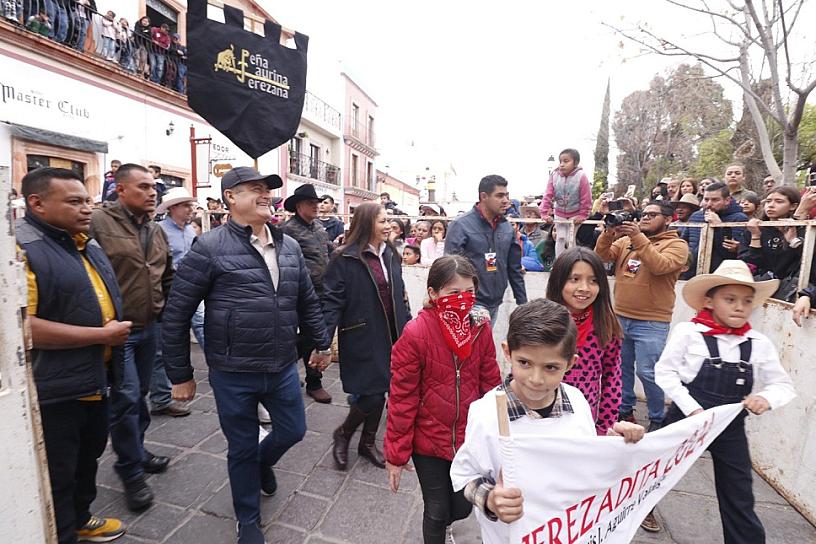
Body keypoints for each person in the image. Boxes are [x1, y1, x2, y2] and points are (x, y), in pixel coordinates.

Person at [163, 167, 332, 544]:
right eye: (254, 189)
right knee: (240, 447)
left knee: (293, 430)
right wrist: (180, 374)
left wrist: (321, 344)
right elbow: (176, 312)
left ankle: (260, 463)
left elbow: (307, 300)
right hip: (232, 370)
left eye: (267, 190)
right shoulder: (209, 247)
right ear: (230, 198)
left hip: (282, 364)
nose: (265, 195)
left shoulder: (288, 245)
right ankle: (249, 520)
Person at [449, 299, 645, 544]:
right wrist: (489, 499)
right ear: (507, 351)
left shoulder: (577, 401)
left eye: (551, 367)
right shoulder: (485, 413)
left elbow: (585, 461)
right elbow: (464, 474)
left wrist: (615, 446)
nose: (536, 379)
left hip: (568, 531)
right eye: (525, 363)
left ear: (570, 363)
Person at [17, 168, 129, 544]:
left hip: (96, 378)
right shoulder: (22, 249)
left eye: (88, 201)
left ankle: (81, 519)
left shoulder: (83, 242)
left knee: (88, 457)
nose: (86, 209)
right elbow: (24, 329)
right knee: (59, 472)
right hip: (57, 387)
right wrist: (102, 335)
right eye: (74, 201)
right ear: (37, 203)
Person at [655, 260, 796, 543]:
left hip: (729, 426)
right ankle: (627, 518)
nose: (739, 307)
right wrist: (691, 407)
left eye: (746, 301)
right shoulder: (688, 332)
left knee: (739, 492)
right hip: (686, 419)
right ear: (709, 301)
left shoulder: (758, 342)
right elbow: (665, 372)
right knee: (651, 473)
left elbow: (783, 385)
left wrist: (764, 399)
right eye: (730, 299)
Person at [385, 256, 501, 543]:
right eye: (453, 293)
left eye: (469, 292)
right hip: (428, 440)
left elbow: (490, 379)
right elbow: (402, 396)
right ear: (433, 293)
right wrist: (396, 455)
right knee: (436, 511)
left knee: (462, 506)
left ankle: (450, 522)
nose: (463, 300)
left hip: (468, 438)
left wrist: (501, 432)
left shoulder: (480, 326)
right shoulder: (416, 333)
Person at [90, 163, 174, 512]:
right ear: (120, 189)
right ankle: (129, 469)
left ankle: (136, 452)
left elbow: (166, 273)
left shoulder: (155, 229)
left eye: (153, 187)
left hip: (149, 326)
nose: (151, 192)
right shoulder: (98, 222)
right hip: (118, 330)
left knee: (138, 396)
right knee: (125, 400)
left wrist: (167, 315)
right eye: (142, 187)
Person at [322, 202, 411, 471]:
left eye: (389, 221)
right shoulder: (344, 258)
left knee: (384, 390)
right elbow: (331, 301)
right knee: (372, 394)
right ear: (365, 224)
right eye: (382, 221)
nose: (388, 226)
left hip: (394, 333)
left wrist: (408, 327)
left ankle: (368, 443)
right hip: (363, 334)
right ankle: (345, 433)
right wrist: (322, 342)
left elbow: (400, 293)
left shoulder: (391, 254)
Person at [594, 201, 688, 431]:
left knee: (648, 372)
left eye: (652, 215)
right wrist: (608, 233)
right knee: (621, 368)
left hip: (652, 322)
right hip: (620, 317)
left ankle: (657, 417)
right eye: (643, 214)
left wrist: (638, 238)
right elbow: (601, 257)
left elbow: (659, 265)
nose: (645, 218)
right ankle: (624, 410)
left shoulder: (677, 245)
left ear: (668, 219)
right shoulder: (626, 241)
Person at [546, 247, 622, 435]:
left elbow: (612, 380)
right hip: (542, 418)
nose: (584, 288)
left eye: (593, 281)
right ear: (558, 281)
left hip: (584, 421)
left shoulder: (606, 325)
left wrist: (604, 427)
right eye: (575, 279)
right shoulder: (541, 321)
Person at [445, 175, 527, 322]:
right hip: (468, 304)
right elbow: (449, 268)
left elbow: (514, 268)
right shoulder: (460, 225)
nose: (506, 201)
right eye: (500, 195)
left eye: (507, 195)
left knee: (483, 345)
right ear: (484, 196)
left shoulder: (507, 227)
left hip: (494, 303)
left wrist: (523, 303)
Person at [150, 187, 201, 418]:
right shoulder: (159, 231)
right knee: (162, 347)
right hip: (169, 293)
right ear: (172, 208)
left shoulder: (190, 230)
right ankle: (160, 398)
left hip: (192, 291)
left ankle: (225, 373)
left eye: (191, 205)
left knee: (206, 329)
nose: (191, 209)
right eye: (185, 205)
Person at [282, 183, 334, 404]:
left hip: (322, 291)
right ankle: (297, 377)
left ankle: (310, 379)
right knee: (306, 336)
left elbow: (327, 251)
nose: (316, 206)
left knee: (314, 336)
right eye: (312, 203)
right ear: (299, 205)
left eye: (317, 203)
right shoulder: (287, 230)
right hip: (298, 293)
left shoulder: (320, 228)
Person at [742, 186, 814, 302]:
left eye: (779, 201)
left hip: (786, 294)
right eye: (768, 201)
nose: (771, 205)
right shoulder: (753, 228)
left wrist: (792, 242)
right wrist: (755, 236)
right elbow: (750, 264)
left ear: (793, 206)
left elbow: (789, 265)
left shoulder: (803, 230)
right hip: (755, 289)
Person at [686, 181, 747, 277]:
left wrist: (719, 226)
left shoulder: (739, 219)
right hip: (692, 273)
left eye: (715, 200)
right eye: (706, 199)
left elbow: (730, 254)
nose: (709, 204)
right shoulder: (695, 216)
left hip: (722, 275)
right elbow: (684, 241)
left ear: (727, 200)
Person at [539, 148, 592, 257]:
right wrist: (544, 213)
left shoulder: (581, 176)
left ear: (576, 163)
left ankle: (572, 262)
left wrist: (583, 215)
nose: (562, 164)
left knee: (570, 238)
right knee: (560, 238)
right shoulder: (554, 175)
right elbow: (548, 194)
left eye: (566, 161)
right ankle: (559, 263)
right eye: (560, 161)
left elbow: (586, 198)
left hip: (575, 213)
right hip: (559, 212)